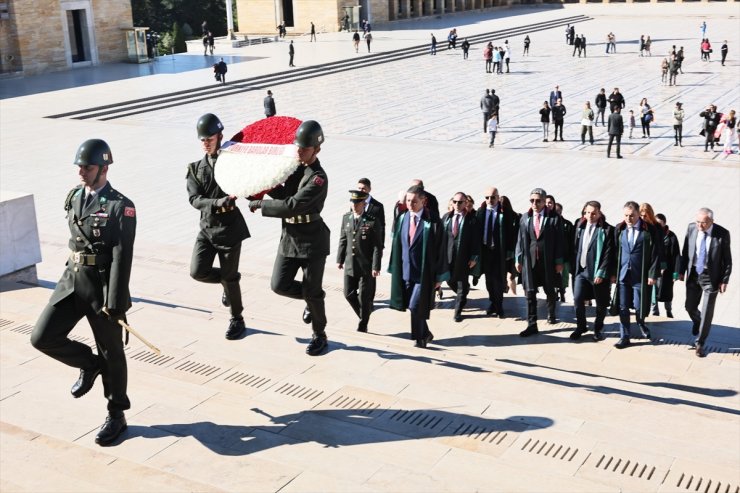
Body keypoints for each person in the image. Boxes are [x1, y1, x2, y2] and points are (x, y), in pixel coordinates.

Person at [31, 138, 136, 446]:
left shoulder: (120, 206)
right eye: (79, 166)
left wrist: (116, 302)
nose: (81, 172)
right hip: (71, 280)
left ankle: (117, 414)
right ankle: (88, 365)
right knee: (42, 337)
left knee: (112, 353)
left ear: (104, 168)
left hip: (101, 287)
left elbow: (122, 254)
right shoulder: (74, 196)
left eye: (87, 167)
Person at [248, 121, 330, 356]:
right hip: (290, 237)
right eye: (297, 147)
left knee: (313, 292)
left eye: (304, 148)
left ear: (317, 149)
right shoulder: (295, 169)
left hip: (312, 240)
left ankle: (319, 334)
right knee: (279, 284)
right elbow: (283, 193)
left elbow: (292, 205)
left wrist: (260, 204)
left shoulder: (317, 178)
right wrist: (260, 186)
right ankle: (312, 299)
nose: (299, 151)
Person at [187, 114, 250, 340]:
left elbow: (247, 180)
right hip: (207, 228)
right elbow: (194, 199)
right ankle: (227, 282)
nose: (206, 142)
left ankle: (237, 318)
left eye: (209, 138)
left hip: (230, 228)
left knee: (230, 276)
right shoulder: (195, 168)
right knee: (197, 271)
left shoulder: (232, 161)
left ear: (219, 136)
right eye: (202, 139)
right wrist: (216, 203)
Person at [387, 186, 448, 348]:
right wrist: (394, 268)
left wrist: (439, 278)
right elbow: (397, 245)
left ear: (423, 201)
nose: (410, 204)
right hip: (406, 271)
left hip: (424, 274)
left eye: (414, 201)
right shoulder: (403, 217)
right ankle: (426, 333)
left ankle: (420, 338)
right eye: (408, 200)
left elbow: (441, 250)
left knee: (416, 306)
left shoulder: (433, 221)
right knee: (412, 306)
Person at [679, 208, 732, 358]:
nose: (700, 226)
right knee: (689, 306)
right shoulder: (691, 228)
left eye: (703, 223)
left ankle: (700, 343)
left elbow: (727, 260)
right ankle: (697, 320)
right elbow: (685, 251)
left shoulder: (722, 234)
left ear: (711, 222)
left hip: (711, 277)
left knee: (707, 312)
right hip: (694, 273)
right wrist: (682, 271)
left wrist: (724, 280)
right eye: (698, 222)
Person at [515, 188, 564, 337]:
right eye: (532, 201)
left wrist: (559, 261)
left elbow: (560, 242)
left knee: (550, 291)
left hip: (547, 262)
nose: (534, 204)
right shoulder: (525, 218)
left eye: (538, 201)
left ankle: (551, 313)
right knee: (530, 293)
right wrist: (519, 258)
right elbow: (520, 239)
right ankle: (532, 324)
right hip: (530, 262)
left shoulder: (554, 218)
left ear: (544, 201)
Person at [611, 201, 660, 349]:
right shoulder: (619, 229)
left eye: (632, 216)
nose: (628, 219)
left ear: (639, 214)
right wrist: (613, 273)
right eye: (626, 215)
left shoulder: (649, 230)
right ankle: (624, 336)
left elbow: (655, 253)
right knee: (623, 307)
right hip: (624, 274)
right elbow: (614, 252)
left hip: (640, 275)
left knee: (640, 306)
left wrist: (652, 274)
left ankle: (641, 322)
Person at [337, 190, 383, 332]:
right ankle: (364, 314)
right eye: (352, 203)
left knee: (364, 296)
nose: (354, 206)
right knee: (348, 293)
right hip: (350, 264)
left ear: (363, 204)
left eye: (357, 203)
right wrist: (340, 259)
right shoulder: (346, 218)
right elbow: (343, 239)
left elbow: (377, 246)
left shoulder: (372, 220)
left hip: (365, 266)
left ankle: (363, 323)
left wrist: (376, 266)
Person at [570, 201, 614, 341]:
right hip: (581, 271)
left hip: (597, 272)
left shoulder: (607, 229)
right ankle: (581, 326)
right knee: (577, 299)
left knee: (600, 303)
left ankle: (597, 328)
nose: (590, 216)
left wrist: (601, 272)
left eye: (593, 213)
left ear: (599, 213)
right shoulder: (579, 225)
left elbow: (608, 253)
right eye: (587, 212)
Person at [472, 187, 517, 318]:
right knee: (488, 281)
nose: (490, 200)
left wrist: (509, 251)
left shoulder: (505, 212)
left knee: (498, 280)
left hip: (499, 252)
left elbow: (510, 233)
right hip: (485, 251)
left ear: (498, 197)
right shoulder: (480, 212)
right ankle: (493, 301)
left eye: (493, 197)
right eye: (487, 198)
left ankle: (499, 305)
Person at [442, 192, 479, 322]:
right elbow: (441, 238)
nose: (457, 204)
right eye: (455, 202)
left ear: (465, 204)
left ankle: (458, 311)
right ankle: (464, 292)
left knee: (461, 285)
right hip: (448, 257)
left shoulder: (471, 220)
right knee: (450, 280)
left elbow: (476, 240)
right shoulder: (446, 218)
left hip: (464, 258)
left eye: (460, 202)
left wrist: (474, 257)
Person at [652, 213, 681, 318]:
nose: (658, 225)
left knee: (667, 293)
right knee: (653, 291)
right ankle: (655, 312)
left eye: (660, 223)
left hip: (668, 272)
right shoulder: (652, 233)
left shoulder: (671, 236)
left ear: (664, 224)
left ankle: (668, 310)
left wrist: (676, 273)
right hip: (654, 269)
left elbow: (677, 255)